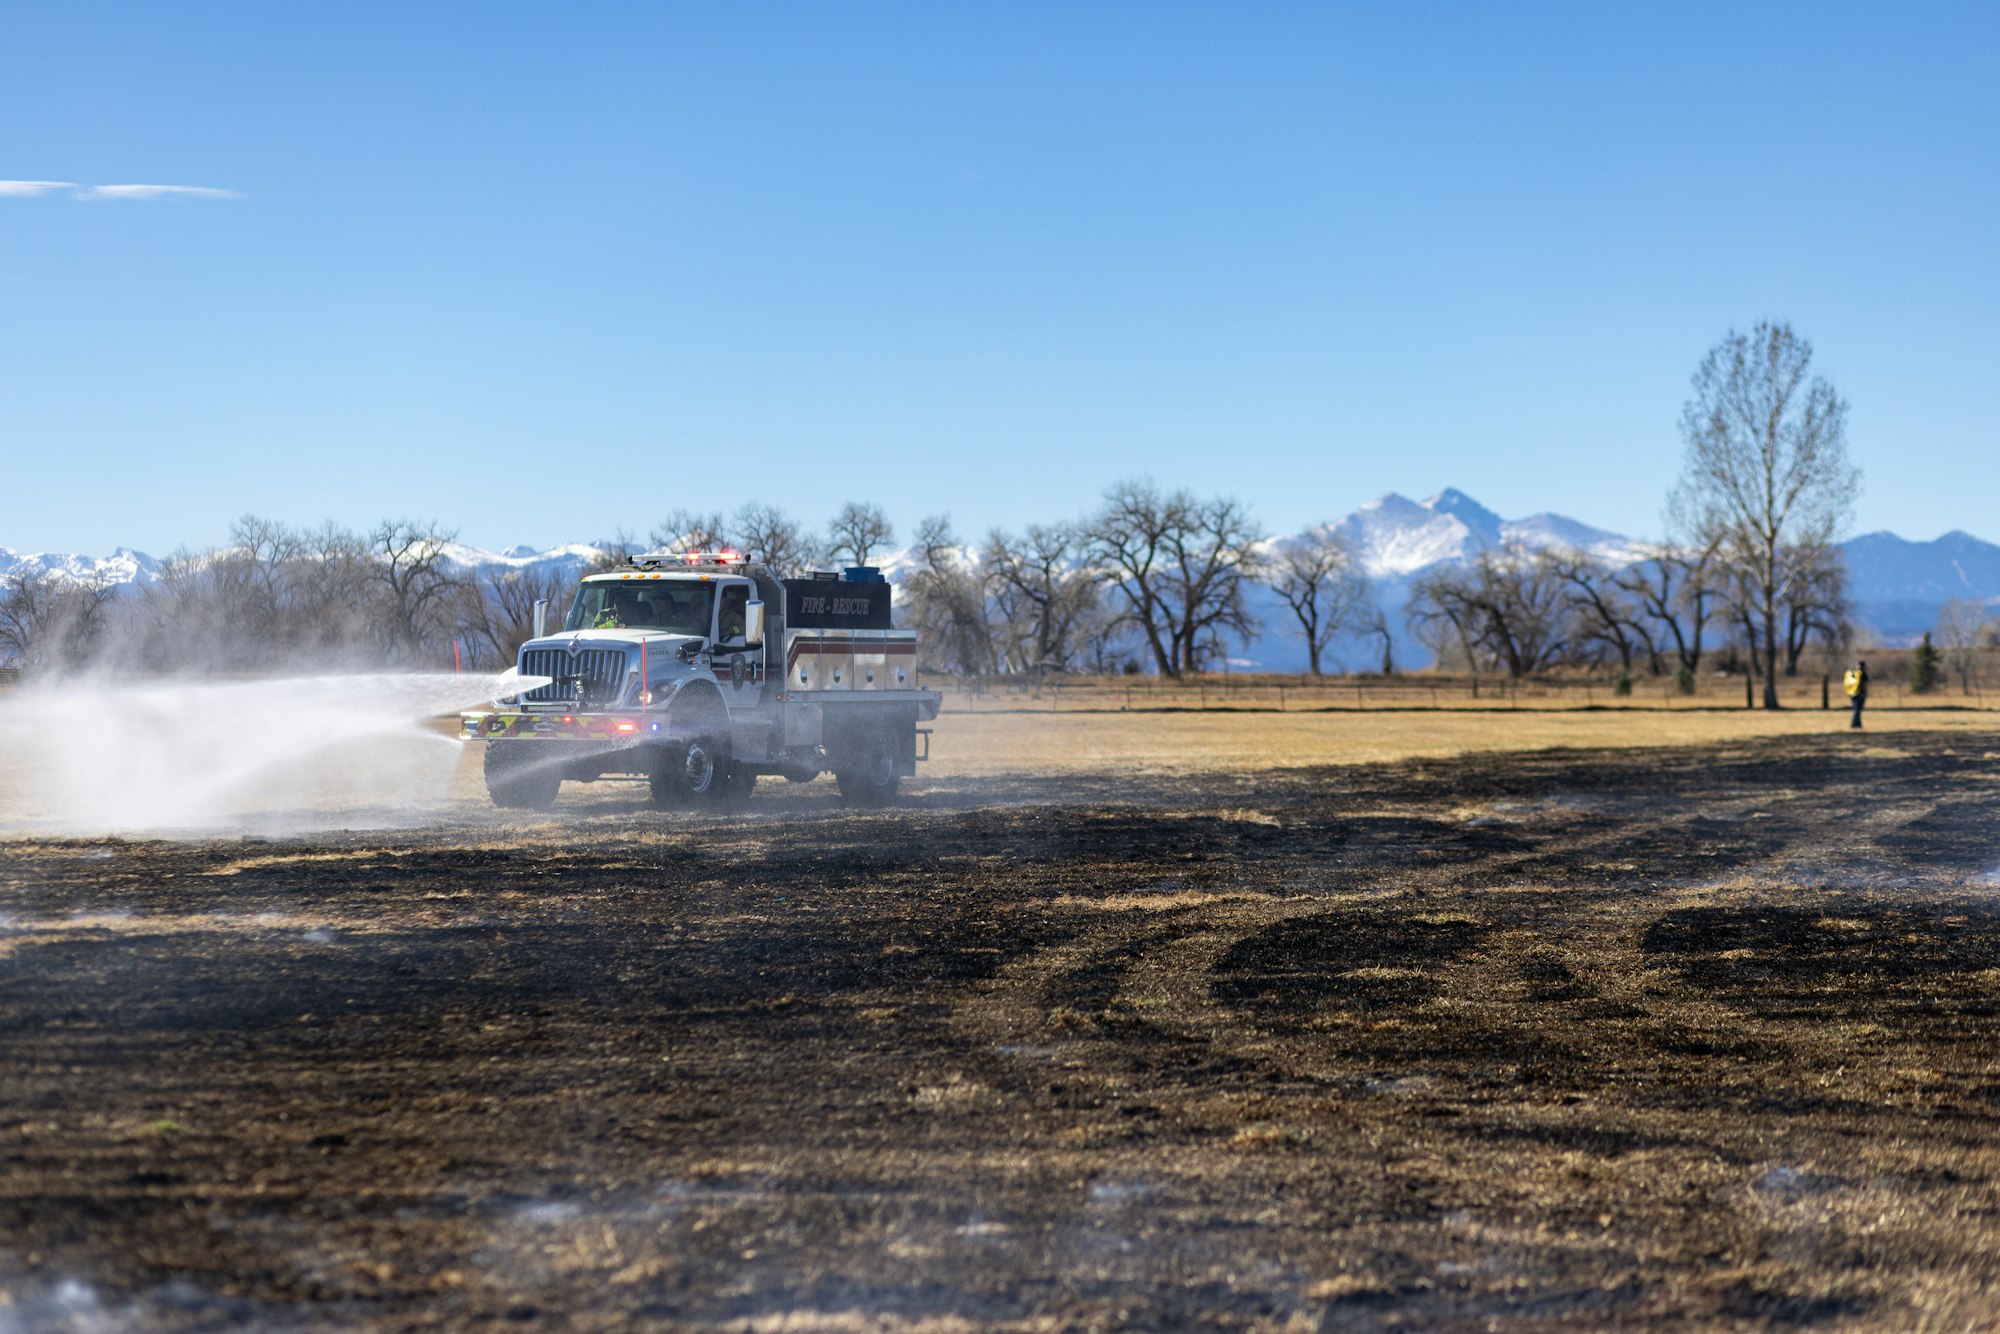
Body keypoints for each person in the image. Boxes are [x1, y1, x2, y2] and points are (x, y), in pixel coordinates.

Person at [1846, 659, 1869, 729]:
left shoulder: (1853, 673)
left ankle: (1858, 724)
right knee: (1857, 710)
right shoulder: (1863, 674)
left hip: (1852, 693)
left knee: (1856, 709)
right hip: (1860, 694)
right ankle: (1854, 724)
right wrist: (1866, 693)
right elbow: (1865, 685)